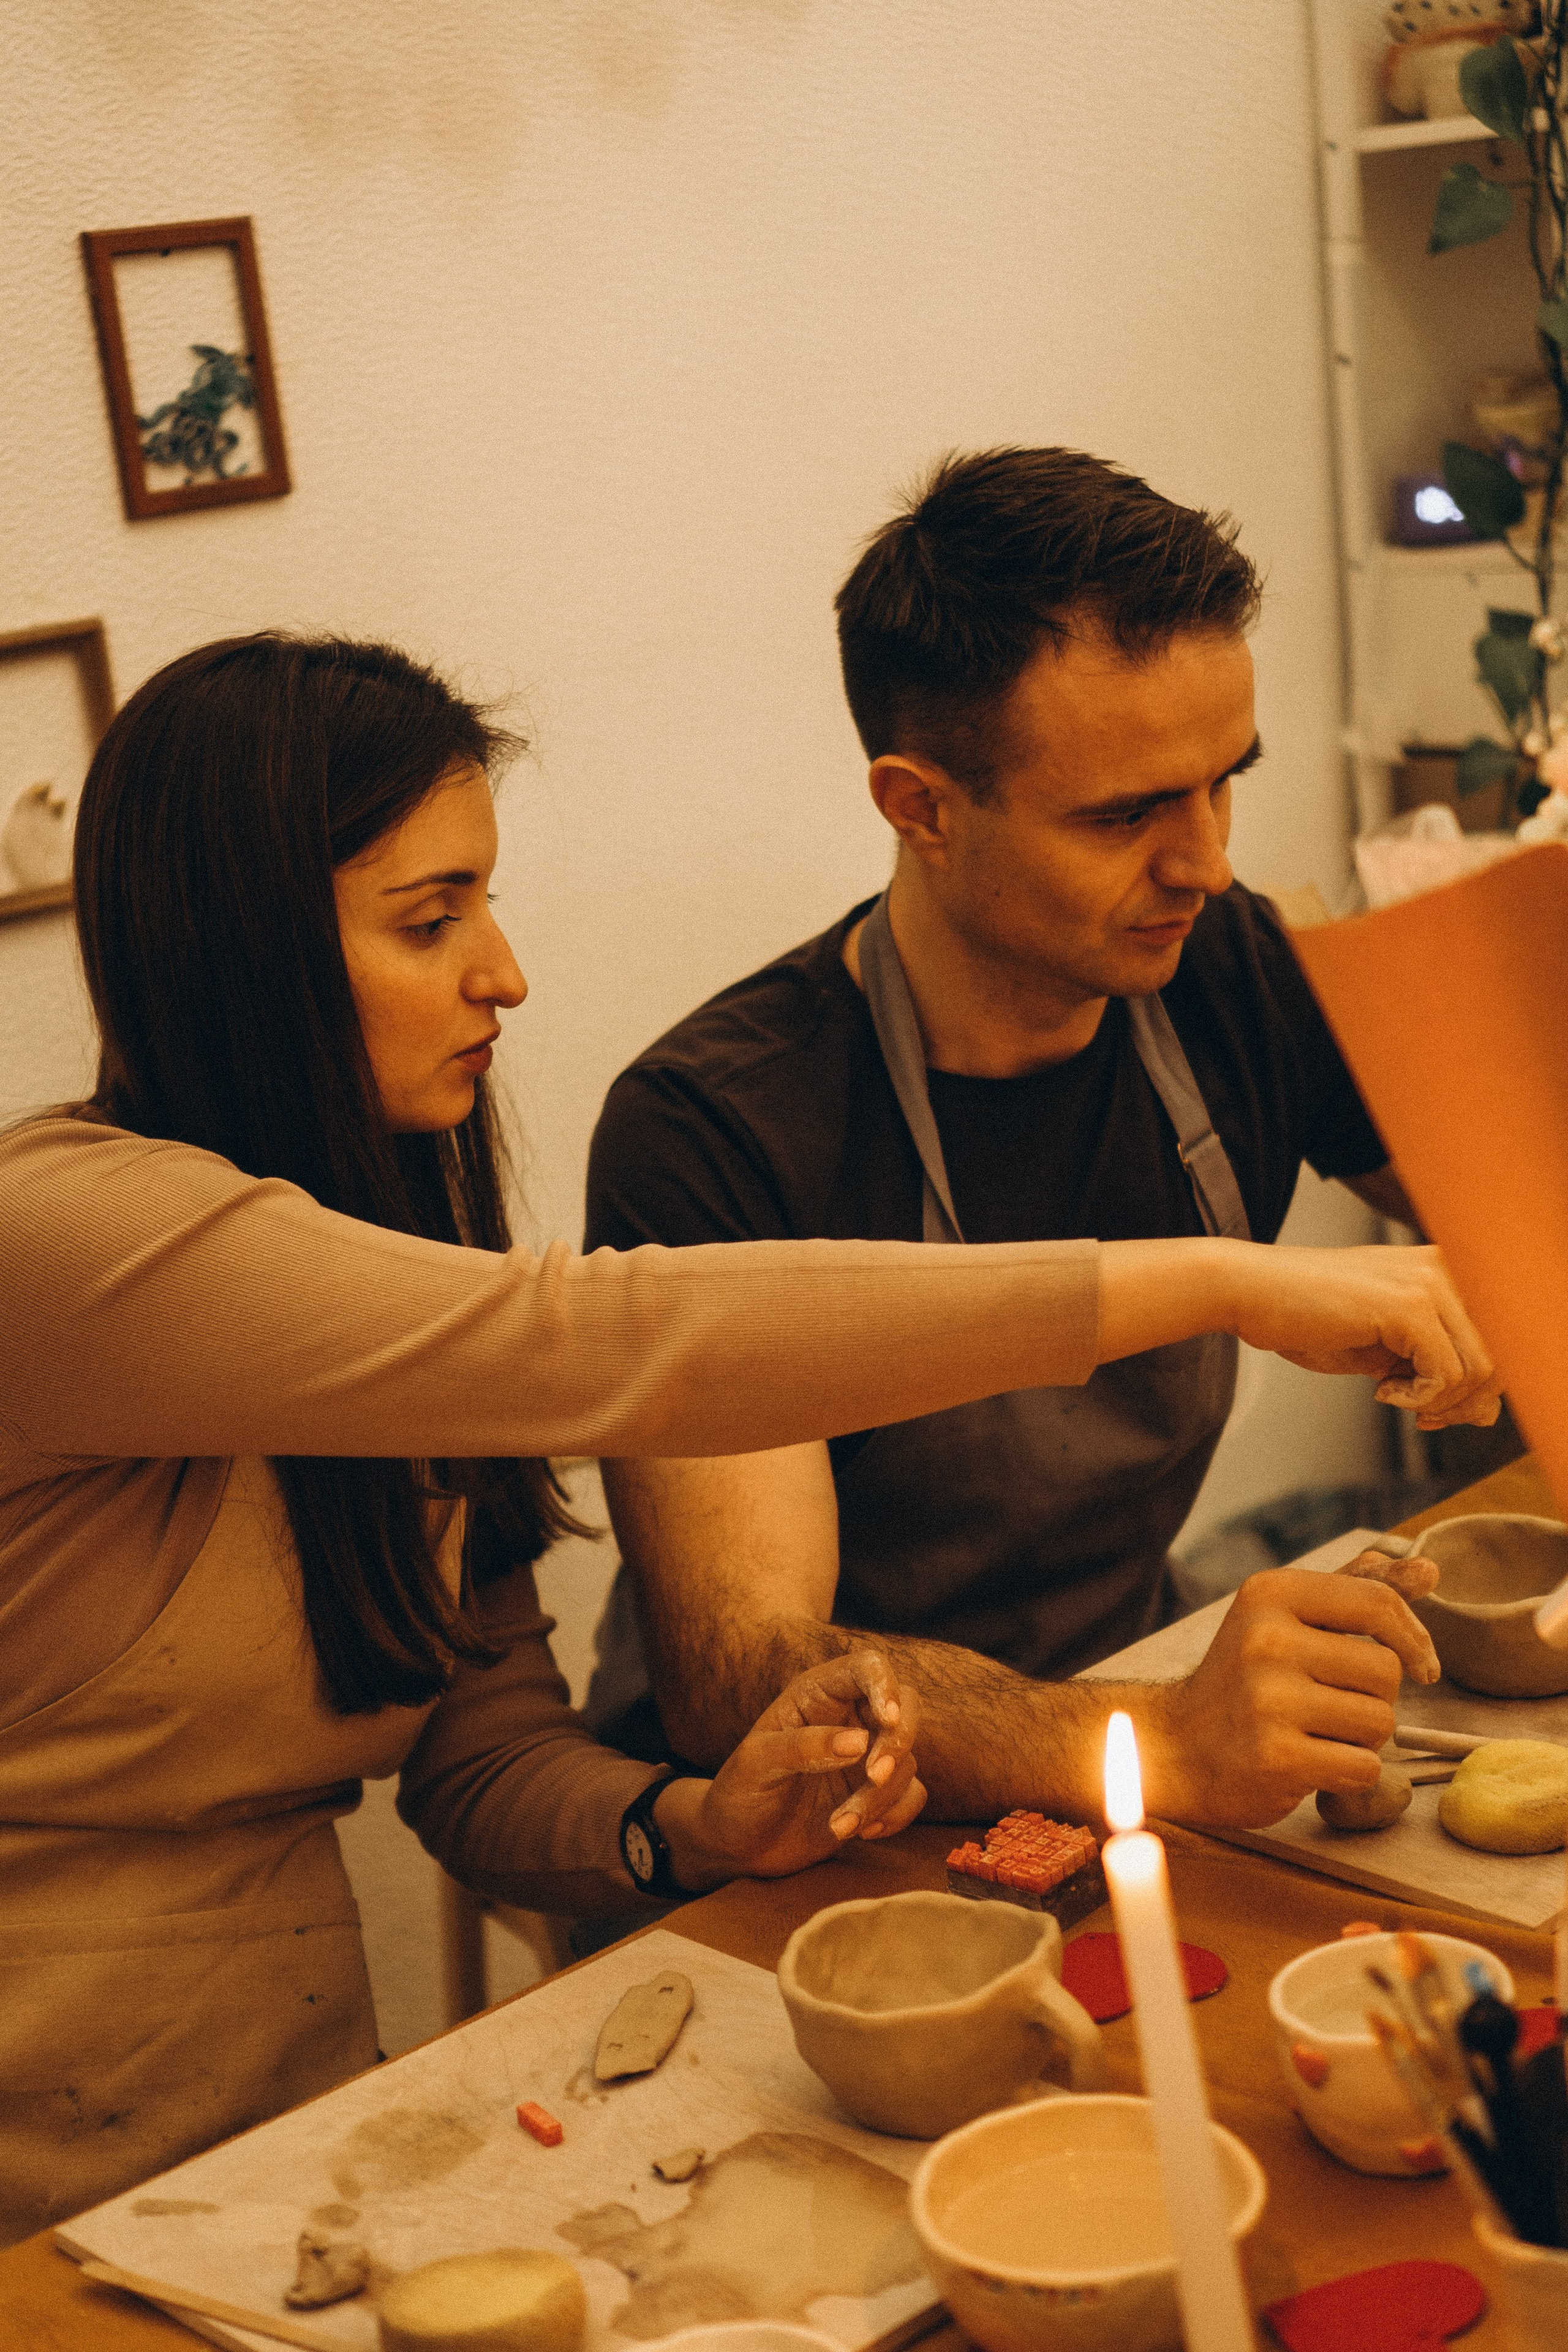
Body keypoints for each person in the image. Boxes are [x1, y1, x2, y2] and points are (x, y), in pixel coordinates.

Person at [0, 633, 1489, 2242]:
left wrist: (694, 1823)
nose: (504, 972)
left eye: (484, 905)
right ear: (247, 958)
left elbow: (482, 1761)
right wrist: (1218, 1281)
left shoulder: (407, 1286)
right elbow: (613, 1341)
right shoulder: (64, 1240)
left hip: (286, 2141)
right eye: (432, 922)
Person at [583, 446, 1500, 1838]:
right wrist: (1162, 1737)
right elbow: (747, 1684)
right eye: (1126, 814)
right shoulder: (716, 1127)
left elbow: (1516, 1220)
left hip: (1123, 1717)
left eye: (1221, 783)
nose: (1201, 861)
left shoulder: (1226, 968)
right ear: (922, 807)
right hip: (806, 1839)